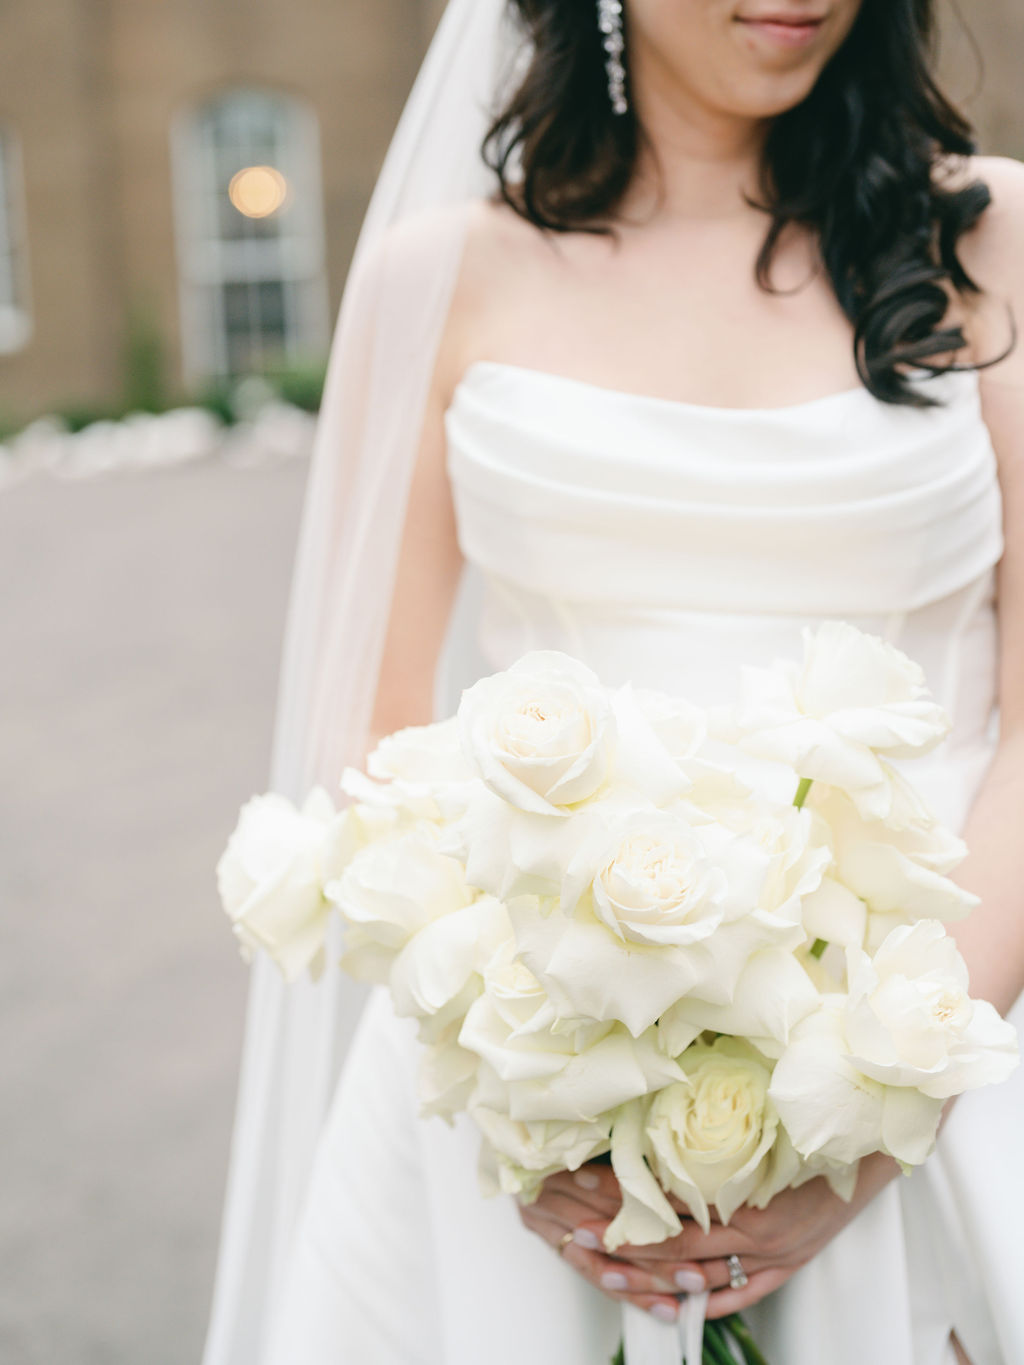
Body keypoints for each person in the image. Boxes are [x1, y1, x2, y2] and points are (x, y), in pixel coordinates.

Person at [204, 3, 1024, 1363]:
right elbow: (375, 722)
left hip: (956, 1035)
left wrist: (882, 1113)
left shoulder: (991, 238)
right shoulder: (436, 279)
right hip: (533, 1111)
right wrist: (543, 1110)